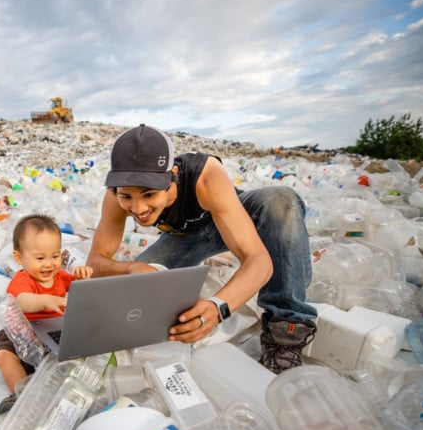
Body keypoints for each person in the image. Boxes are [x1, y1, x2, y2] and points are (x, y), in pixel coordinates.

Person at [87, 124, 317, 374]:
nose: (138, 208)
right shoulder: (115, 196)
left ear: (171, 174)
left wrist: (217, 307)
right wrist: (132, 267)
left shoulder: (205, 175)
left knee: (280, 200)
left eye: (149, 194)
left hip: (231, 217)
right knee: (138, 290)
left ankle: (286, 334)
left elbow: (259, 261)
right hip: (186, 236)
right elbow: (95, 264)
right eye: (126, 197)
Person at [0, 214, 93, 414]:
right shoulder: (23, 280)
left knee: (73, 358)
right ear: (19, 257)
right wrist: (44, 300)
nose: (49, 264)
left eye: (55, 256)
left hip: (54, 331)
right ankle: (20, 395)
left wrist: (82, 275)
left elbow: (79, 287)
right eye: (40, 258)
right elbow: (21, 301)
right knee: (4, 355)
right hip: (23, 332)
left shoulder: (60, 276)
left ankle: (65, 391)